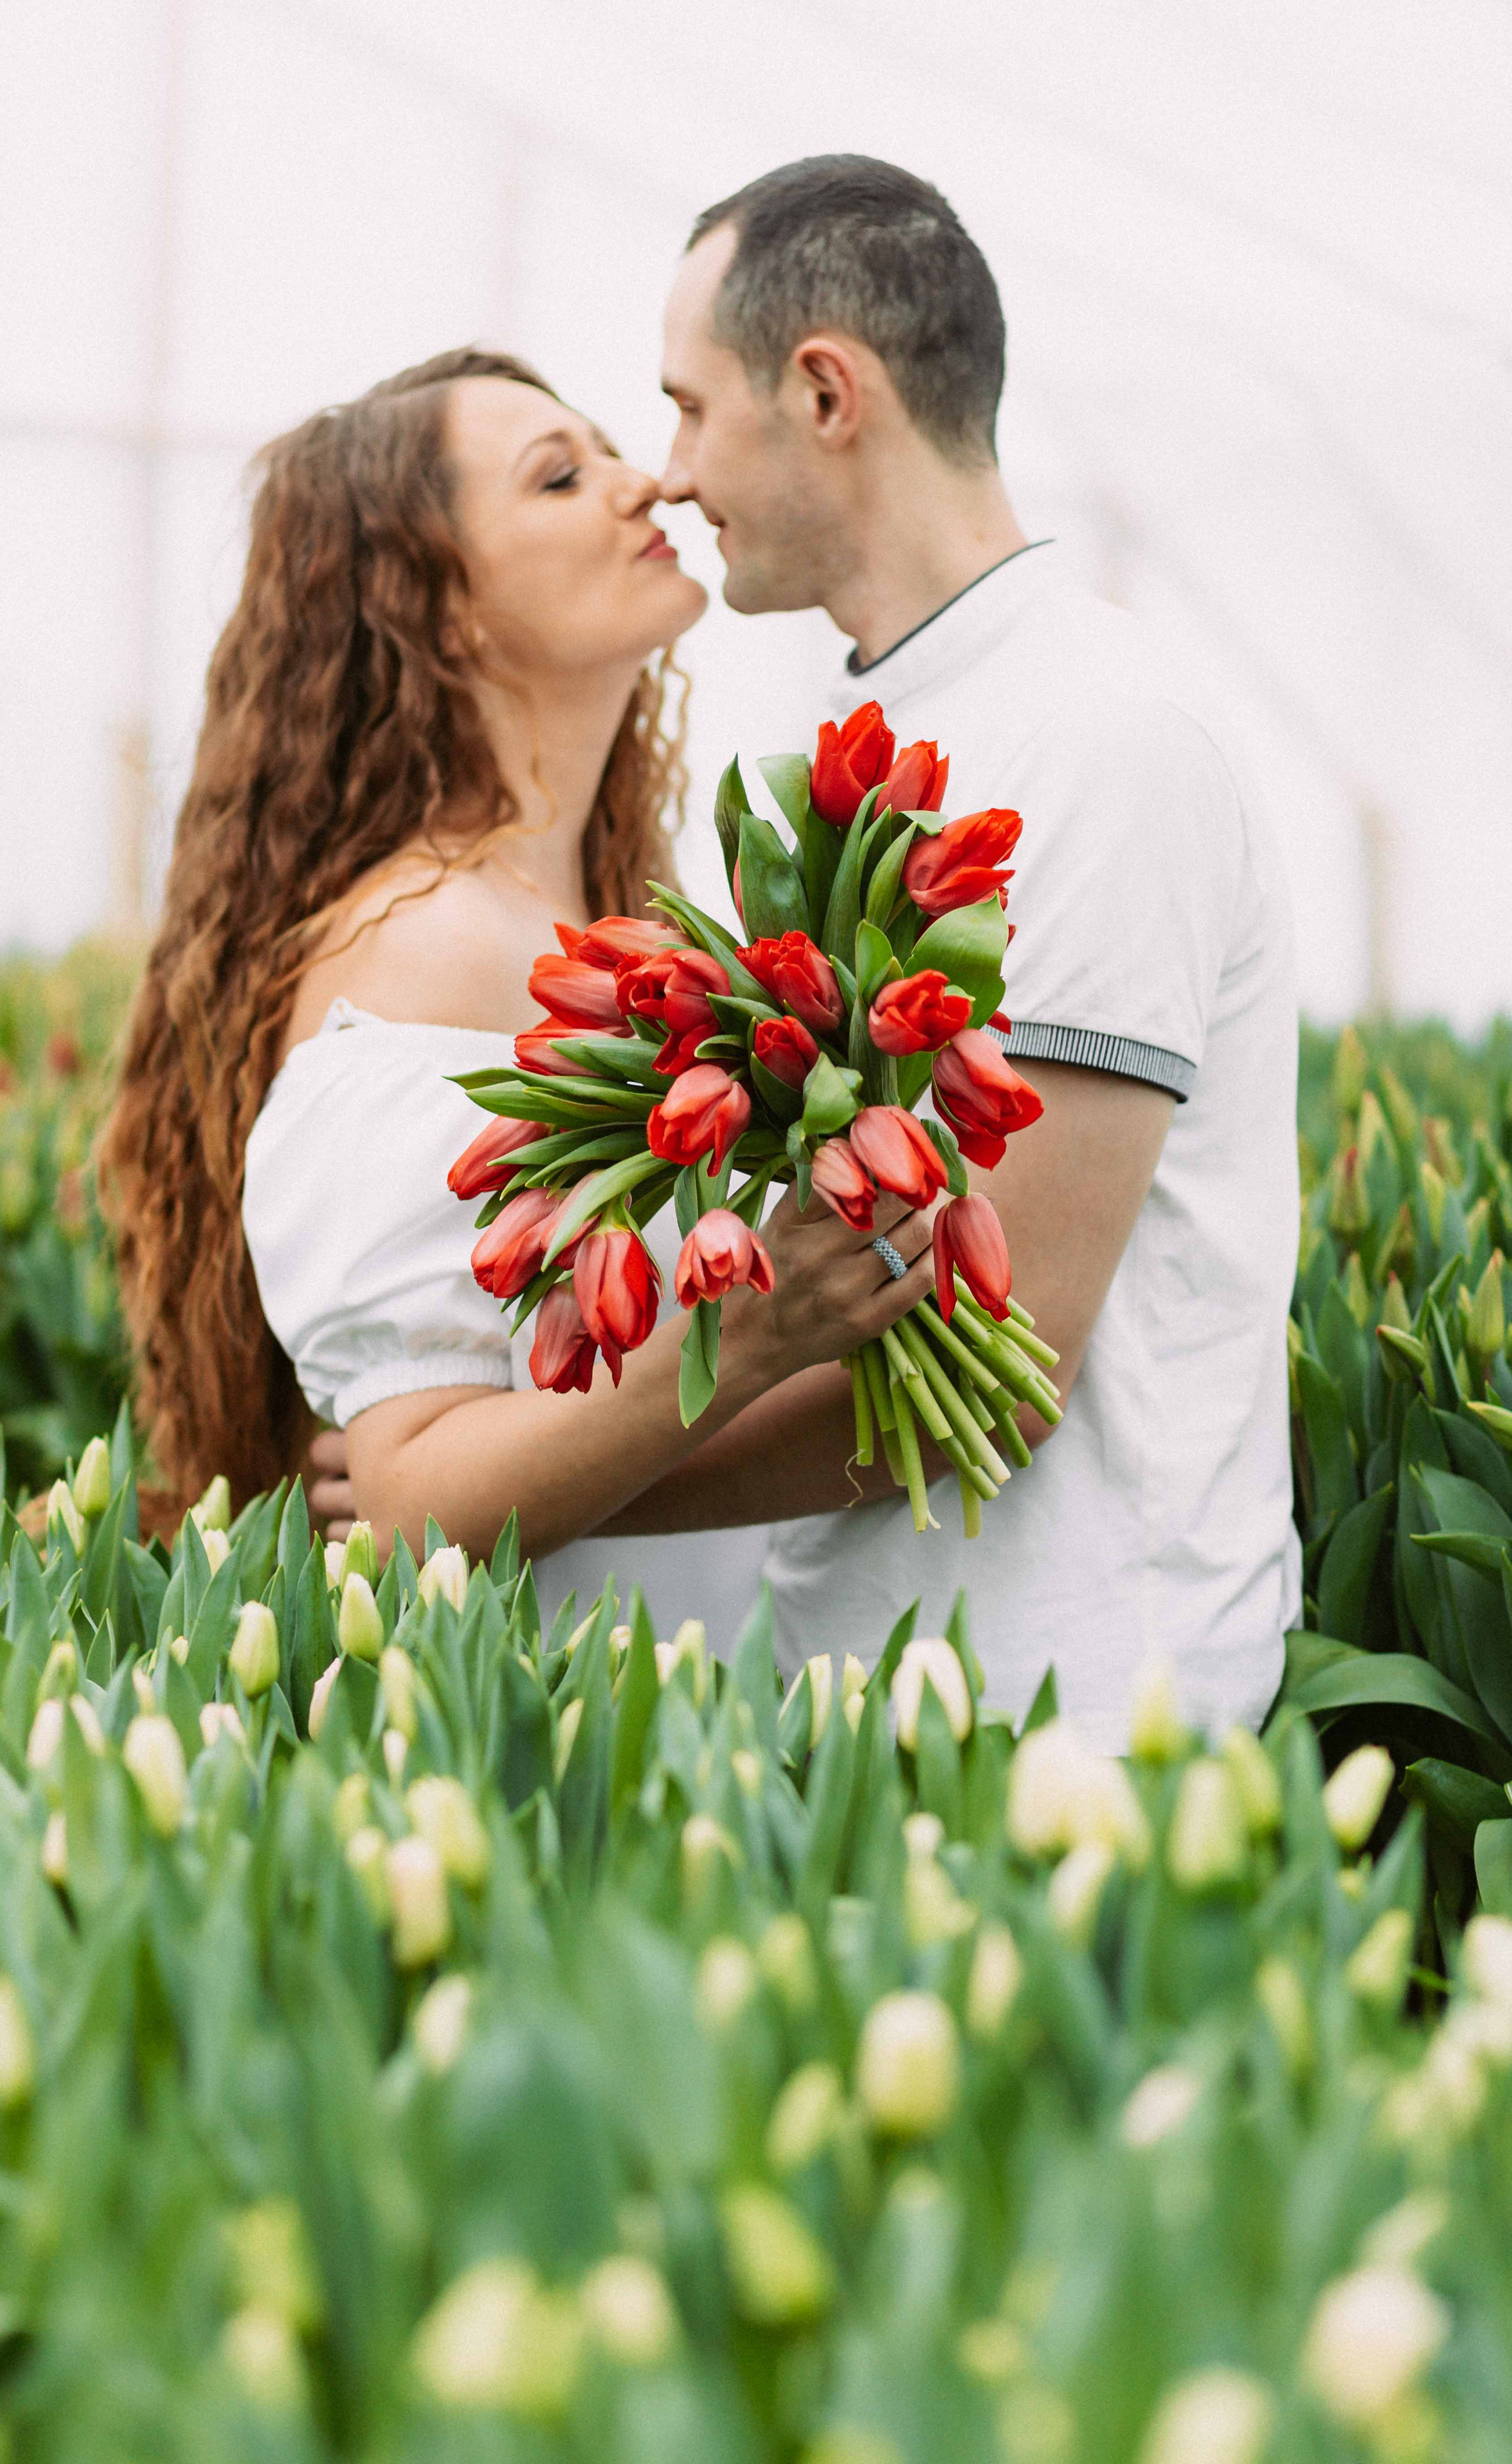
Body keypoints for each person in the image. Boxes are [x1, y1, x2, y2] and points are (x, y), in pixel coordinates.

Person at [99, 347, 938, 1645]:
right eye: (560, 478)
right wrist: (753, 1336)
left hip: (687, 1721)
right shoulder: (425, 946)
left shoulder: (606, 924)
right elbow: (414, 1499)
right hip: (542, 1755)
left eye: (611, 451)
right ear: (434, 609)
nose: (646, 486)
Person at [622, 153, 1301, 1745]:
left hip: (1075, 1718)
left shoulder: (1095, 739)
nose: (664, 473)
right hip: (884, 1693)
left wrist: (541, 1478)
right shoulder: (876, 719)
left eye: (687, 408)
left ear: (821, 392)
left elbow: (993, 1372)